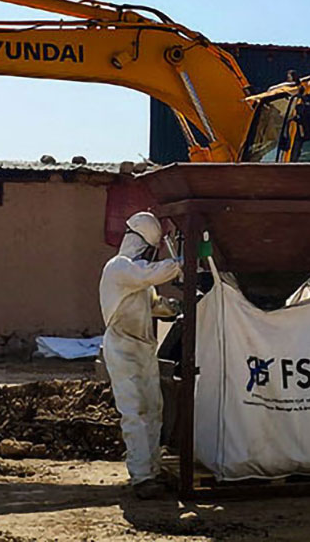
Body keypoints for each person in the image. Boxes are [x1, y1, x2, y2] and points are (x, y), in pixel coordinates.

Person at [100, 211, 182, 499]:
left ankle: (154, 470)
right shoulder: (119, 268)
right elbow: (150, 274)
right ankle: (141, 477)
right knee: (134, 412)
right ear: (142, 244)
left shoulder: (137, 277)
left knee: (153, 411)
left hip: (144, 348)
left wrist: (175, 307)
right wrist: (183, 262)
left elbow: (154, 304)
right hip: (122, 348)